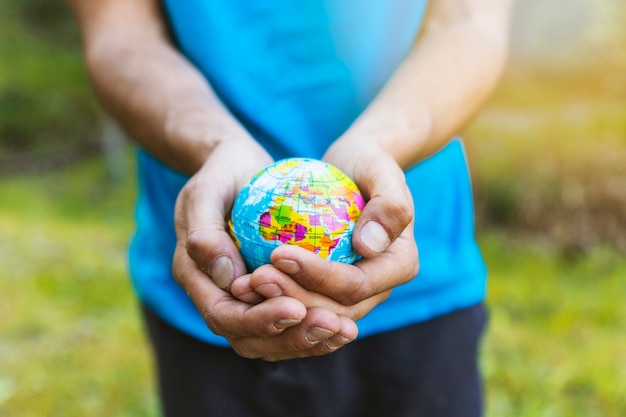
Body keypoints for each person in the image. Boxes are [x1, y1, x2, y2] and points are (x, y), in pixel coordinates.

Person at [67, 0, 513, 416]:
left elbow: (468, 23)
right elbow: (121, 35)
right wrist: (215, 144)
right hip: (213, 279)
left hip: (420, 269)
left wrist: (378, 145)